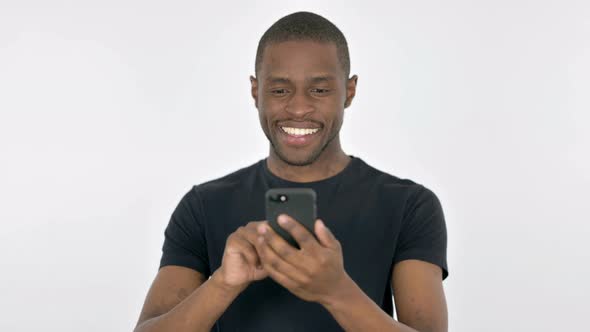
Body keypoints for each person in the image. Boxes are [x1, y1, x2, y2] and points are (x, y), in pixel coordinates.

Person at [134, 11, 448, 332]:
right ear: (256, 92)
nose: (298, 108)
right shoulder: (203, 206)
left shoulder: (409, 205)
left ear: (349, 92)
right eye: (280, 90)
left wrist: (337, 292)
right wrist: (222, 285)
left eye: (320, 90)